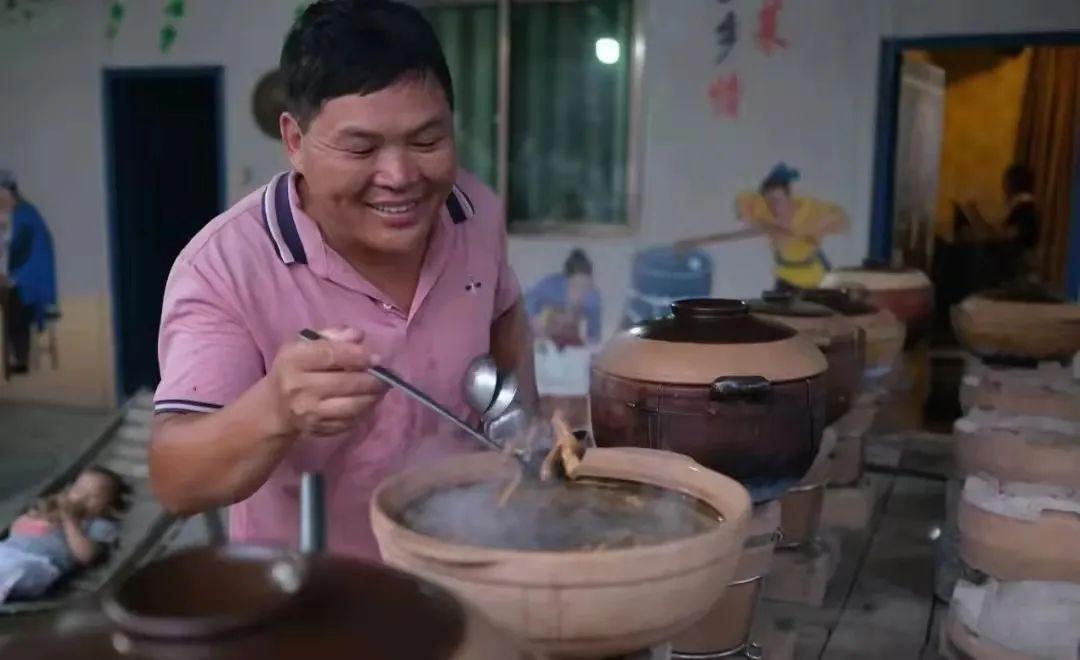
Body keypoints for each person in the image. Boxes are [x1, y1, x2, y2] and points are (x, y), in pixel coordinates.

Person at [149, 0, 535, 560]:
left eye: (427, 141)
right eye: (361, 148)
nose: (400, 177)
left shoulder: (473, 212)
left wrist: (524, 427)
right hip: (314, 609)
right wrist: (275, 408)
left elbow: (505, 318)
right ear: (294, 140)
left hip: (470, 575)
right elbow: (175, 480)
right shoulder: (224, 266)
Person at [676, 163, 848, 290]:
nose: (774, 207)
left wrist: (811, 230)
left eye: (777, 201)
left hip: (814, 281)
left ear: (788, 197)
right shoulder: (767, 219)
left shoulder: (809, 213)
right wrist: (693, 242)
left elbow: (839, 221)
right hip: (785, 280)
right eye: (769, 202)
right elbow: (735, 234)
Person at [1, 467, 127, 602]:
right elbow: (14, 532)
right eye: (79, 490)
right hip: (9, 550)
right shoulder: (52, 511)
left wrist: (70, 521)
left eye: (94, 496)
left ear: (108, 507)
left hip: (40, 564)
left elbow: (86, 556)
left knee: (13, 570)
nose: (82, 498)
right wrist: (36, 517)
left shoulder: (98, 525)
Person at [0, 170, 58, 374]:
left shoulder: (25, 216)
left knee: (15, 304)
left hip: (31, 281)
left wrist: (10, 277)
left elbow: (21, 251)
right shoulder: (12, 216)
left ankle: (20, 358)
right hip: (18, 277)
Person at [961, 163, 1039, 282]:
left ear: (1011, 185)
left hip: (1015, 276)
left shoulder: (1025, 209)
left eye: (1005, 183)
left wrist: (974, 213)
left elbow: (996, 236)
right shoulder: (1021, 209)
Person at [525, 249, 602, 348]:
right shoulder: (552, 286)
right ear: (565, 281)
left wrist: (592, 347)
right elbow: (529, 298)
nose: (580, 292)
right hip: (545, 334)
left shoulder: (592, 298)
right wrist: (533, 319)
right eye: (575, 286)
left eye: (585, 287)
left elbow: (594, 335)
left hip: (571, 338)